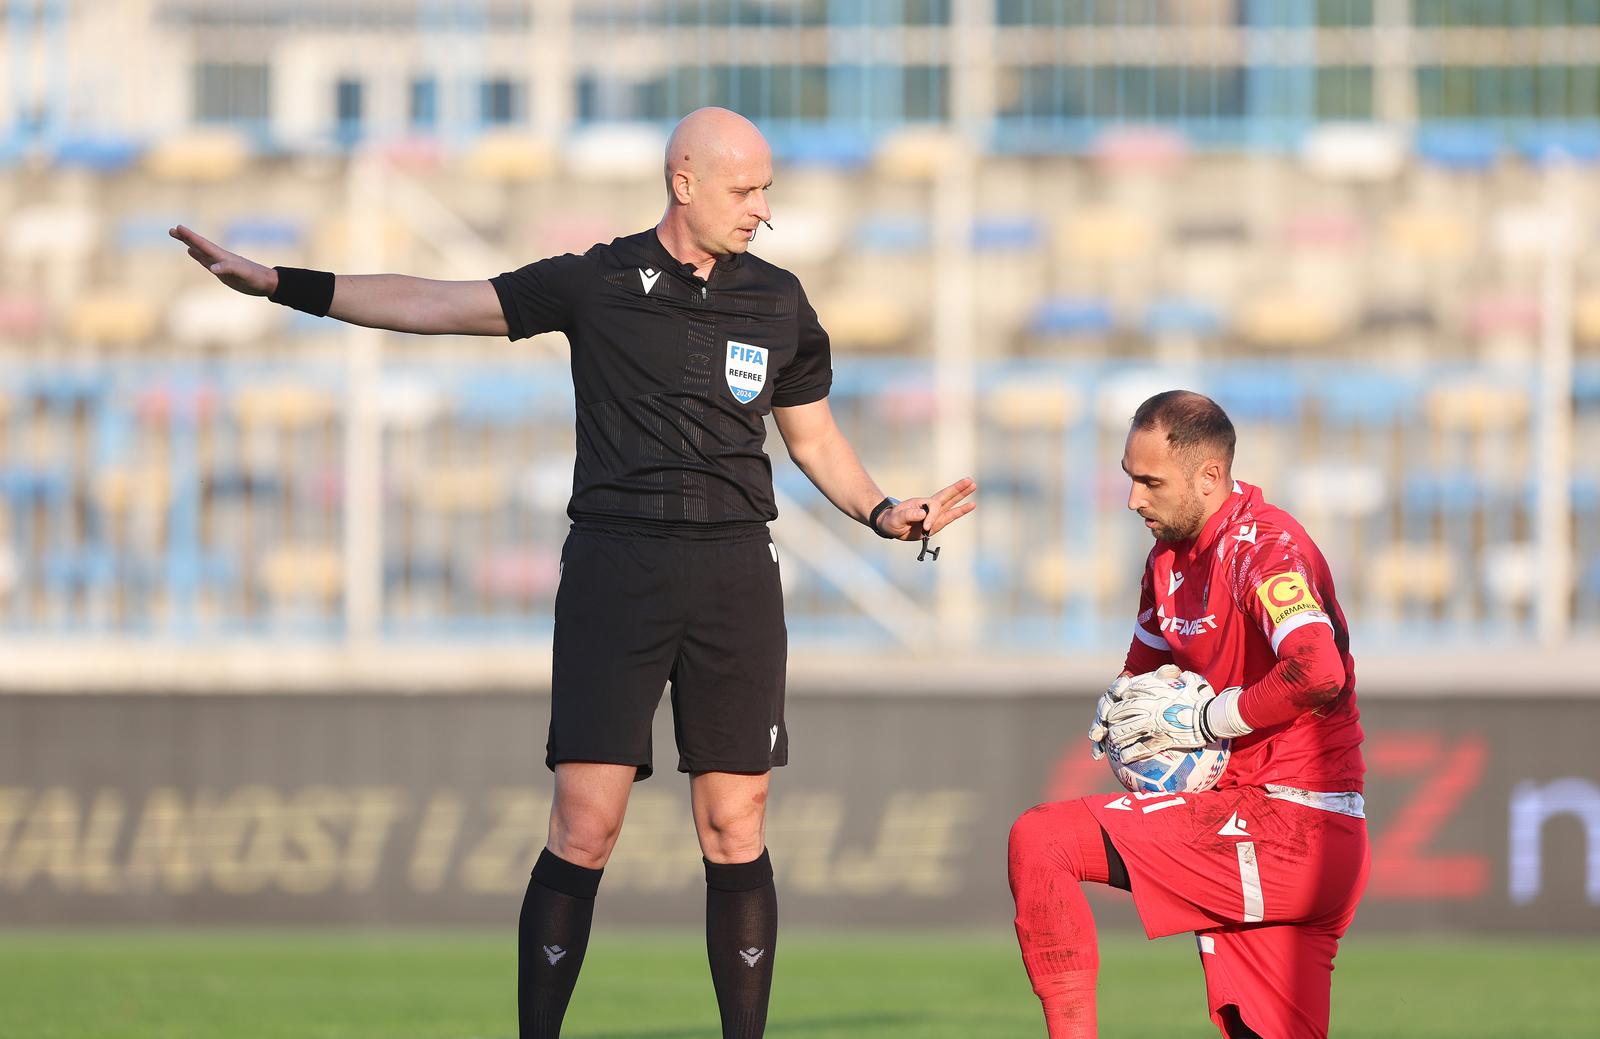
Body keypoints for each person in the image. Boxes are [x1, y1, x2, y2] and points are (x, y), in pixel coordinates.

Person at [170, 107, 976, 1039]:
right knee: (585, 825)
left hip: (733, 574)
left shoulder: (779, 299)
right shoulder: (595, 279)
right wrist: (278, 283)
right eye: (747, 190)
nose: (763, 210)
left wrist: (883, 509)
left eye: (767, 192)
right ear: (685, 183)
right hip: (615, 568)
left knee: (737, 820)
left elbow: (815, 436)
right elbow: (439, 302)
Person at [1006, 390, 1367, 1039]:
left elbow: (1317, 668)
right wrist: (1124, 726)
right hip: (1273, 828)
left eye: (1150, 482)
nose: (1133, 499)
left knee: (1043, 840)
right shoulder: (1168, 561)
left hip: (1288, 823)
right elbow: (1137, 675)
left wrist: (1209, 722)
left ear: (1210, 476)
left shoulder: (1264, 546)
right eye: (1128, 478)